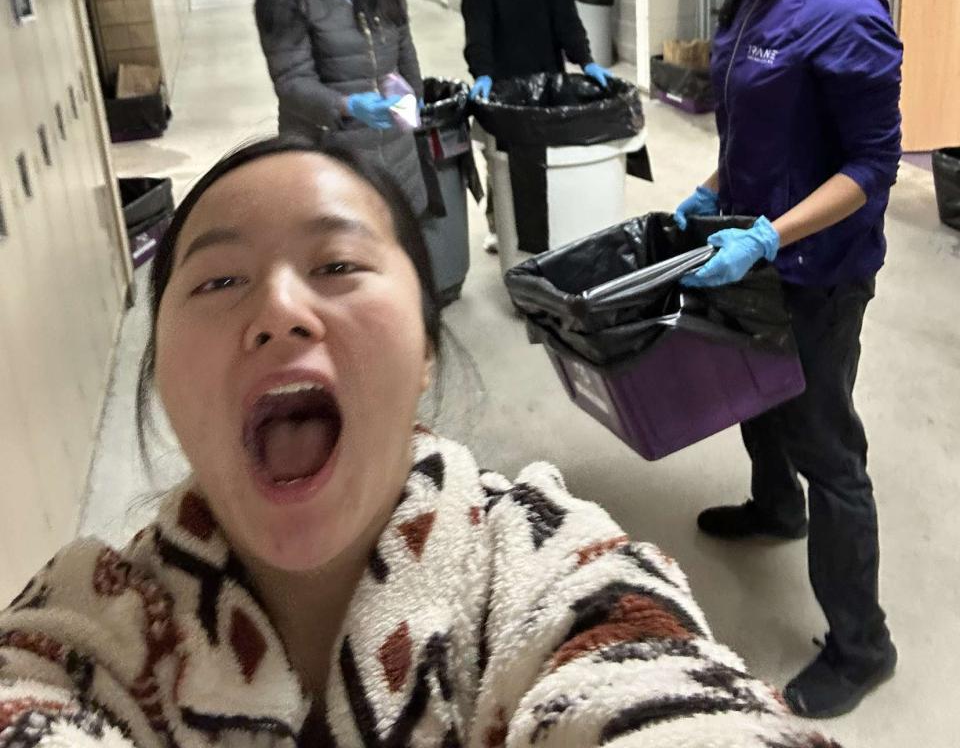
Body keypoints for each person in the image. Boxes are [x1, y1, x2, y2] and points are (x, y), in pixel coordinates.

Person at [0, 135, 847, 748]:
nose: (279, 310)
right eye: (219, 279)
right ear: (159, 378)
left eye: (337, 265)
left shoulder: (552, 572)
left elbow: (656, 688)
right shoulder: (83, 635)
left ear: (425, 352)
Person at [673, 0, 901, 719]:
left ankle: (863, 646)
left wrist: (771, 234)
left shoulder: (843, 12)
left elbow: (872, 164)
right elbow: (755, 133)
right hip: (751, 243)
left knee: (826, 444)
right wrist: (713, 191)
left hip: (819, 267)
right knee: (755, 394)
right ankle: (775, 508)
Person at [255, 0, 426, 215]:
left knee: (399, 228)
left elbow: (403, 42)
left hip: (395, 145)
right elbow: (291, 81)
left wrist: (415, 96)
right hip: (329, 147)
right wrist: (346, 106)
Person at [461, 0, 612, 249]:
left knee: (543, 153)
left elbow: (567, 22)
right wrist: (482, 72)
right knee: (501, 158)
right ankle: (499, 223)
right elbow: (477, 32)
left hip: (547, 79)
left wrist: (586, 60)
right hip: (501, 85)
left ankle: (550, 219)